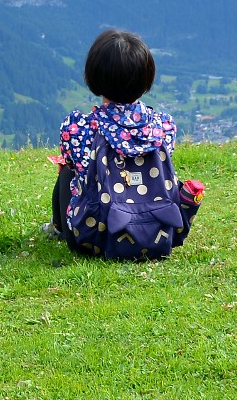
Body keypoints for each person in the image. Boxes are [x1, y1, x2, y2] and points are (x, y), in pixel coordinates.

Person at [49, 28, 204, 260]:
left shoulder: (79, 127)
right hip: (159, 232)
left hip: (95, 239)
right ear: (146, 78)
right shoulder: (163, 125)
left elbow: (75, 166)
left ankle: (59, 229)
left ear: (94, 76)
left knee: (67, 173)